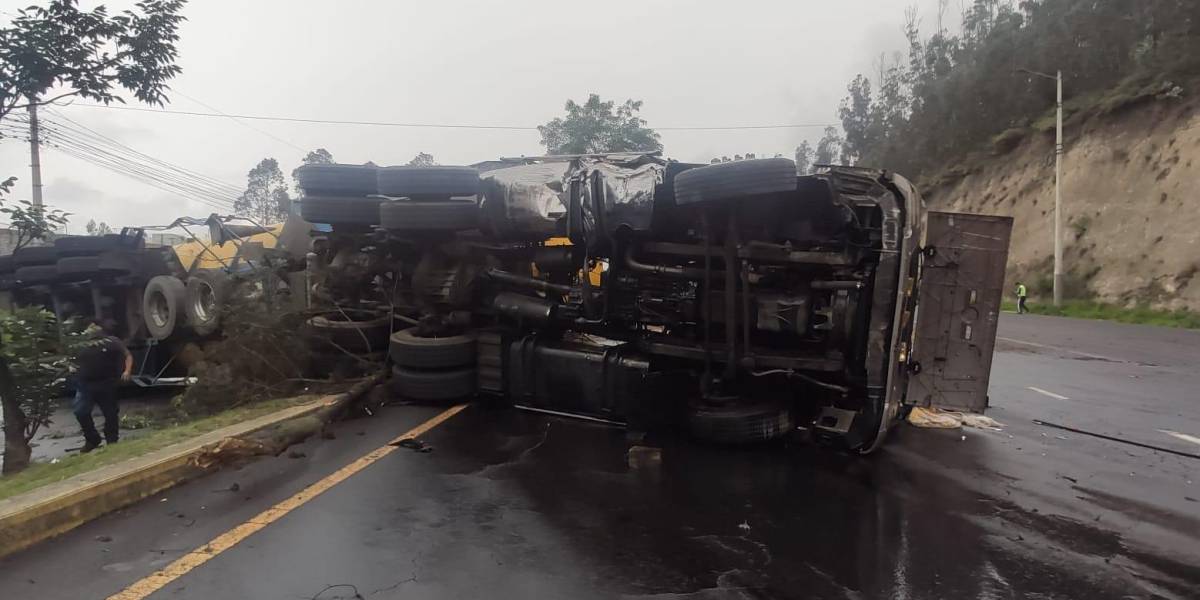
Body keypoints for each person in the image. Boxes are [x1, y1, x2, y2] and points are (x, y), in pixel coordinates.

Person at [72, 320, 133, 453]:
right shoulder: (81, 345)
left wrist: (127, 371)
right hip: (85, 384)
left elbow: (127, 355)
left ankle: (112, 441)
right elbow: (71, 359)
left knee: (110, 413)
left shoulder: (112, 341)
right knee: (80, 412)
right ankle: (92, 439)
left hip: (107, 383)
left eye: (95, 326)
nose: (93, 329)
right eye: (90, 327)